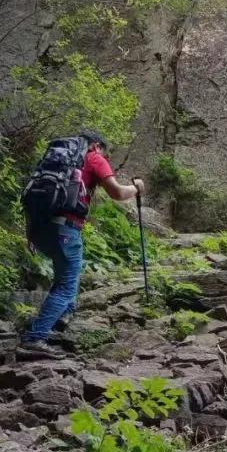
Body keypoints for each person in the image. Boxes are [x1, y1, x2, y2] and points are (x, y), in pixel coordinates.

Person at [20, 130, 145, 356]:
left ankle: (58, 325)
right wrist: (136, 188)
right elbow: (116, 192)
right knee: (67, 286)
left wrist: (32, 234)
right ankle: (35, 338)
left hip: (40, 228)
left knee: (64, 278)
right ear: (96, 145)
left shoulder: (55, 160)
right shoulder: (94, 157)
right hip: (66, 228)